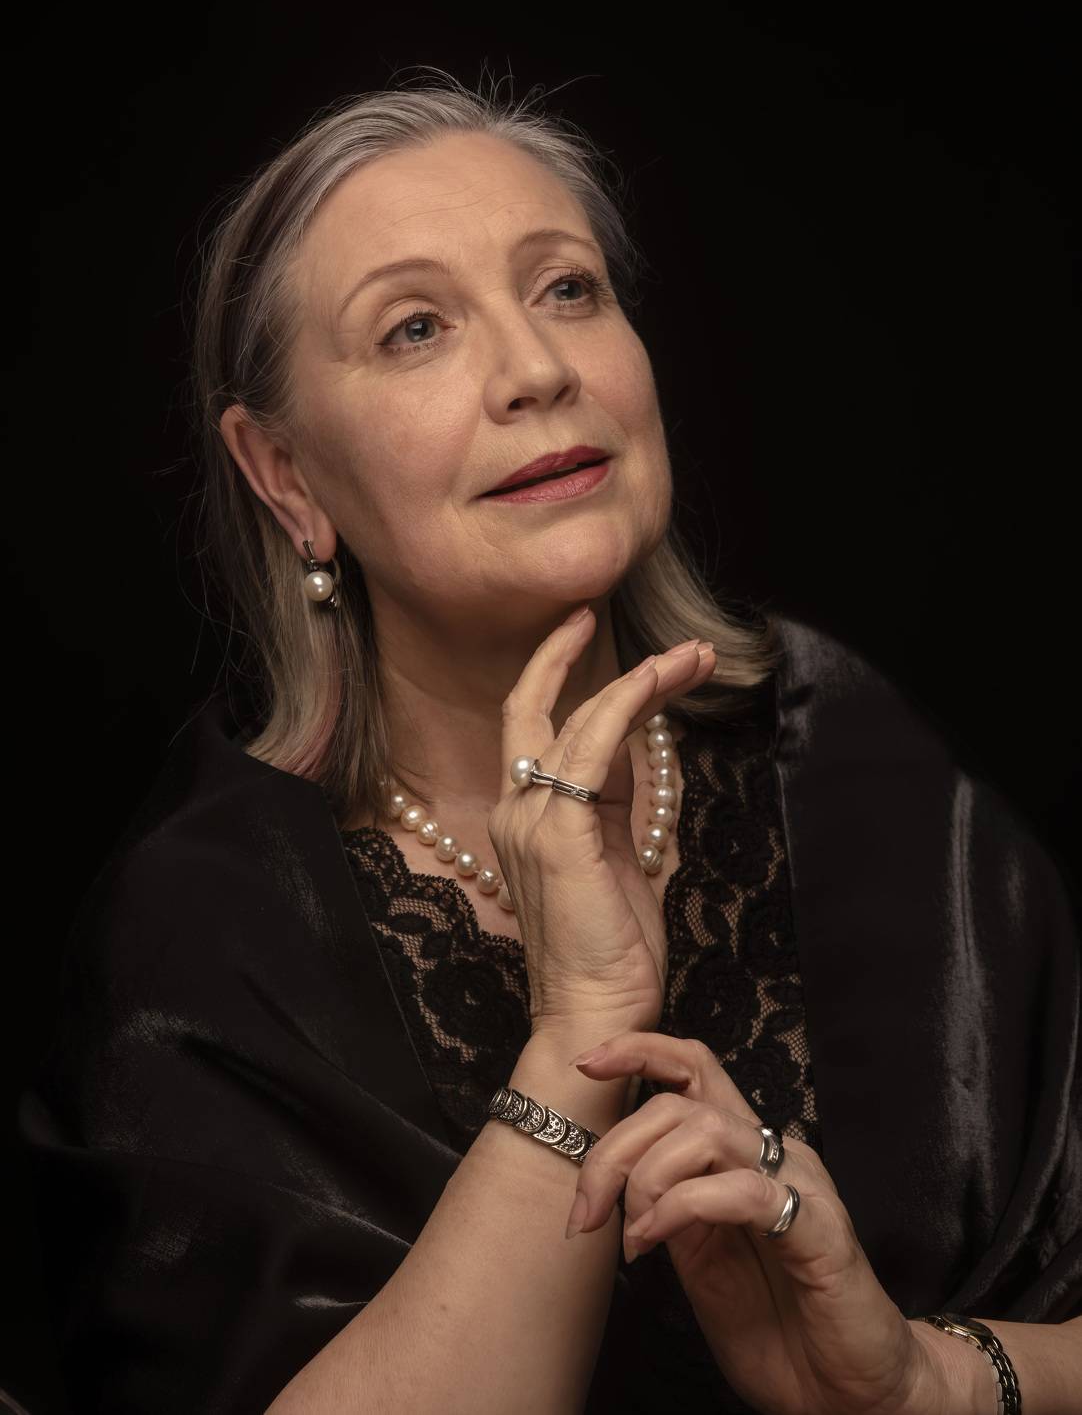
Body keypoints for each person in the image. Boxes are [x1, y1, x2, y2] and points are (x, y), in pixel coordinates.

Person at [18, 69, 1081, 1415]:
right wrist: (577, 1037)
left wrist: (923, 1384)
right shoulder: (206, 924)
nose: (536, 371)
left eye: (567, 288)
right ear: (284, 475)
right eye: (414, 328)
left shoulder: (854, 753)